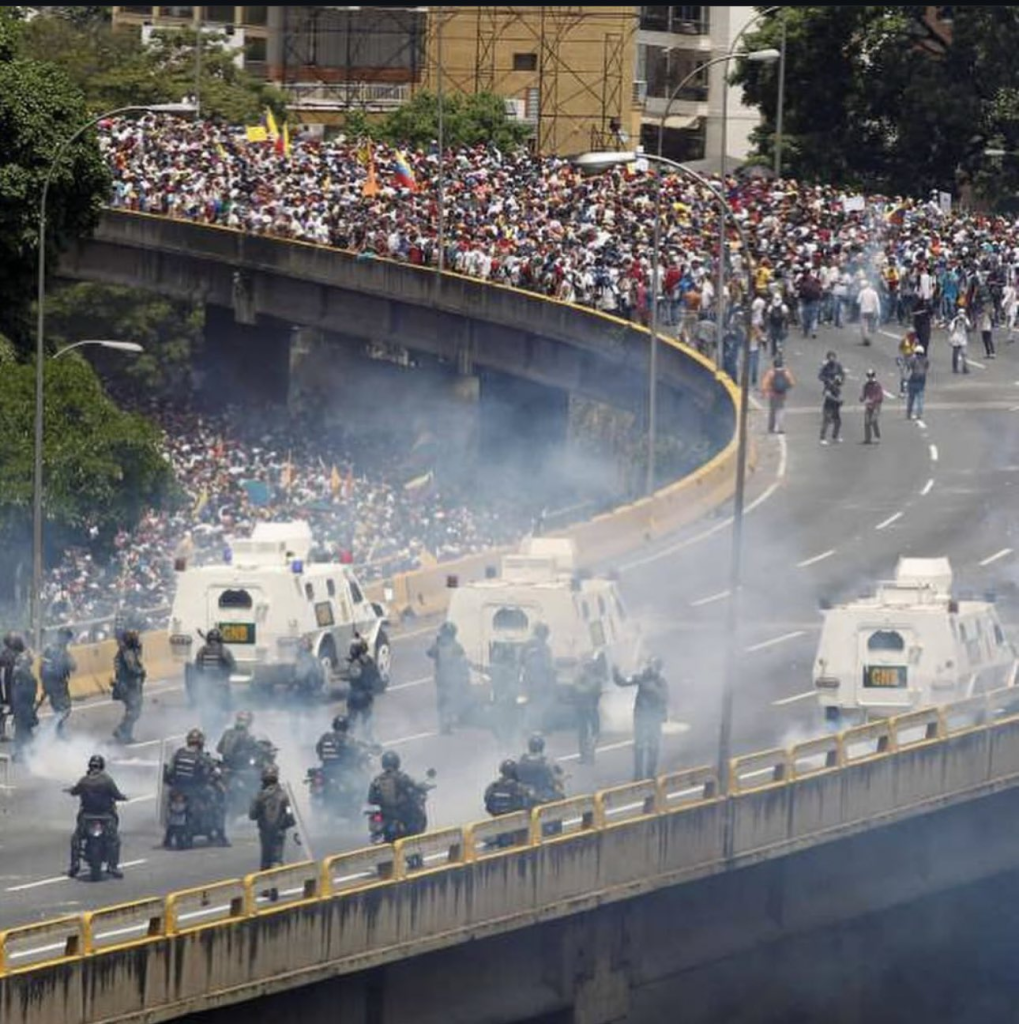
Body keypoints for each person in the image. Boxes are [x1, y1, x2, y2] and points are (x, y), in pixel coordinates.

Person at [163, 727, 229, 847]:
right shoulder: (201, 756)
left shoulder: (178, 753)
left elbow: (169, 771)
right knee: (218, 804)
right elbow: (214, 771)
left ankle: (167, 837)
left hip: (177, 789)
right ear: (201, 743)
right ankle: (221, 835)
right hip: (195, 790)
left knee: (169, 807)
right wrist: (217, 774)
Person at [67, 754, 127, 878]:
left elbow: (74, 791)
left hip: (87, 817)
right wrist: (123, 797)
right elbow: (117, 795)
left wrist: (71, 790)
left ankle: (74, 864)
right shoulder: (107, 780)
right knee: (114, 840)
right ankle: (113, 866)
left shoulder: (84, 780)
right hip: (106, 817)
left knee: (76, 839)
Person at [613, 657, 669, 781]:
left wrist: (663, 714)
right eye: (648, 664)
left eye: (652, 665)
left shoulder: (660, 682)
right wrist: (615, 672)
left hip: (654, 717)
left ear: (658, 668)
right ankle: (638, 775)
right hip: (641, 716)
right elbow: (622, 682)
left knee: (654, 746)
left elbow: (664, 698)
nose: (648, 667)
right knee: (639, 745)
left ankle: (650, 774)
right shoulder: (641, 678)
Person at [367, 750, 430, 841]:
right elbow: (415, 785)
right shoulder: (402, 777)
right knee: (415, 815)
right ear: (397, 762)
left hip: (386, 815)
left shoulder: (377, 780)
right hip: (402, 814)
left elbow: (371, 800)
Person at [249, 764, 296, 871]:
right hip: (279, 832)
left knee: (265, 860)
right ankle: (275, 884)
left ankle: (266, 885)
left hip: (265, 833)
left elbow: (252, 815)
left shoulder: (259, 796)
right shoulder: (283, 795)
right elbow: (290, 814)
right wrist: (285, 825)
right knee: (277, 859)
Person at [427, 621, 470, 735]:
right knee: (452, 700)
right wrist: (465, 676)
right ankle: (451, 722)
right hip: (452, 678)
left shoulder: (438, 645)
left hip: (441, 678)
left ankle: (444, 725)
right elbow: (463, 662)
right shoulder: (456, 646)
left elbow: (429, 653)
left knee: (442, 702)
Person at [192, 627, 235, 722]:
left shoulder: (201, 651)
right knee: (227, 703)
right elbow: (232, 666)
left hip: (207, 683)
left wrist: (204, 677)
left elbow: (198, 667)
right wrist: (225, 675)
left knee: (204, 701)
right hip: (221, 682)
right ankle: (227, 716)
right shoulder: (225, 651)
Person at [41, 627, 76, 738]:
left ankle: (59, 731)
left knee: (60, 709)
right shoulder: (55, 650)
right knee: (64, 709)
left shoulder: (54, 649)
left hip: (57, 683)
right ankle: (53, 728)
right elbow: (45, 668)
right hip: (57, 685)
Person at [112, 630, 146, 744]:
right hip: (128, 686)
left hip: (125, 685)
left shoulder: (125, 651)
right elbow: (133, 669)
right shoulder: (128, 653)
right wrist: (141, 672)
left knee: (132, 709)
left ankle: (126, 735)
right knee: (134, 710)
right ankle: (121, 730)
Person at [521, 623, 556, 732]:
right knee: (541, 704)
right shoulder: (544, 648)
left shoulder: (526, 645)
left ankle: (527, 727)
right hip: (541, 680)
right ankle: (538, 727)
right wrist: (554, 674)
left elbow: (520, 661)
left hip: (528, 679)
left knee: (529, 703)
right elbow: (547, 666)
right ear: (544, 634)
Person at [571, 652, 605, 765]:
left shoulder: (583, 679)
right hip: (589, 709)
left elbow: (577, 689)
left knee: (584, 733)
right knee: (593, 732)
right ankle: (588, 755)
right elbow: (596, 693)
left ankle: (585, 756)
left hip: (583, 708)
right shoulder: (596, 680)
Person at [9, 636, 39, 762]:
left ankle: (24, 752)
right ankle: (26, 751)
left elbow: (27, 679)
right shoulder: (23, 659)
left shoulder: (21, 662)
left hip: (22, 700)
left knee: (22, 728)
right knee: (23, 727)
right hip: (23, 700)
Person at [346, 633, 379, 741]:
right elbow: (376, 675)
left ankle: (349, 739)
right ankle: (370, 739)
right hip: (368, 695)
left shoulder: (356, 663)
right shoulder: (370, 660)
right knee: (367, 720)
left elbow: (353, 676)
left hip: (356, 694)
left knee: (352, 721)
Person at [515, 733, 566, 803]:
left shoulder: (521, 760)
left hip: (526, 797)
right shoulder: (546, 761)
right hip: (543, 796)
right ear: (542, 747)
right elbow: (557, 777)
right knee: (561, 796)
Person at [761, 355, 795, 434]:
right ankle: (780, 428)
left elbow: (764, 384)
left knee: (772, 411)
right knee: (780, 411)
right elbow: (792, 383)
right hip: (782, 394)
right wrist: (786, 387)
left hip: (773, 394)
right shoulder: (786, 372)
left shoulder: (771, 372)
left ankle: (771, 428)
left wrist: (764, 392)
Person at [0, 632, 20, 742]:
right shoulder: (6, 656)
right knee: (5, 708)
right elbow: (4, 675)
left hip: (12, 687)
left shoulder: (13, 654)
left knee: (9, 709)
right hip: (7, 687)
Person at [860, 369, 884, 445]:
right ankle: (867, 438)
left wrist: (872, 400)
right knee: (867, 422)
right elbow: (864, 395)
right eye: (869, 376)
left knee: (873, 421)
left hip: (876, 405)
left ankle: (877, 436)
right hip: (868, 406)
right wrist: (862, 398)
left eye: (871, 375)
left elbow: (880, 396)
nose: (870, 377)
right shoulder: (866, 385)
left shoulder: (877, 385)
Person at [906, 344, 929, 422]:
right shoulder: (926, 360)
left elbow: (909, 367)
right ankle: (919, 414)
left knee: (911, 397)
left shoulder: (913, 359)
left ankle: (909, 413)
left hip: (913, 378)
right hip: (922, 379)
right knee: (920, 397)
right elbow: (926, 368)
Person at [819, 375, 844, 446]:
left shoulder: (838, 389)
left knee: (838, 422)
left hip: (835, 408)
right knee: (826, 423)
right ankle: (822, 438)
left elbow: (838, 397)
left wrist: (840, 402)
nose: (839, 384)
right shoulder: (830, 386)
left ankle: (835, 436)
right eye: (838, 382)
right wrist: (837, 400)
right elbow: (827, 395)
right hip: (828, 407)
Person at [858, 278, 880, 345]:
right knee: (870, 325)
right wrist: (878, 312)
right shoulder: (874, 293)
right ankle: (869, 338)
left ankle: (866, 338)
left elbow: (858, 301)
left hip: (864, 310)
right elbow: (877, 303)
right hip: (871, 310)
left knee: (864, 325)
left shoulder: (862, 292)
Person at [949, 309, 970, 374]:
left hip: (961, 337)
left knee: (963, 353)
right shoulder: (956, 320)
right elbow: (951, 328)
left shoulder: (963, 320)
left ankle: (964, 368)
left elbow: (969, 328)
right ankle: (957, 368)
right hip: (958, 337)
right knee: (958, 354)